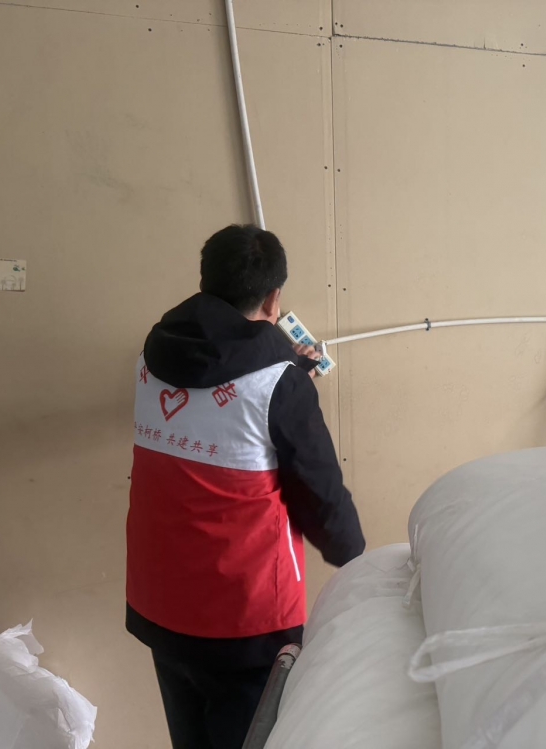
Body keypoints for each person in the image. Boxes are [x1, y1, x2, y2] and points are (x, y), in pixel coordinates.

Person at [126, 224, 366, 749]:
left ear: (206, 280)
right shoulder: (279, 382)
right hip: (246, 622)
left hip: (160, 604)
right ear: (274, 298)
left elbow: (216, 391)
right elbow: (320, 494)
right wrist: (358, 562)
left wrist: (286, 375)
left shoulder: (151, 358)